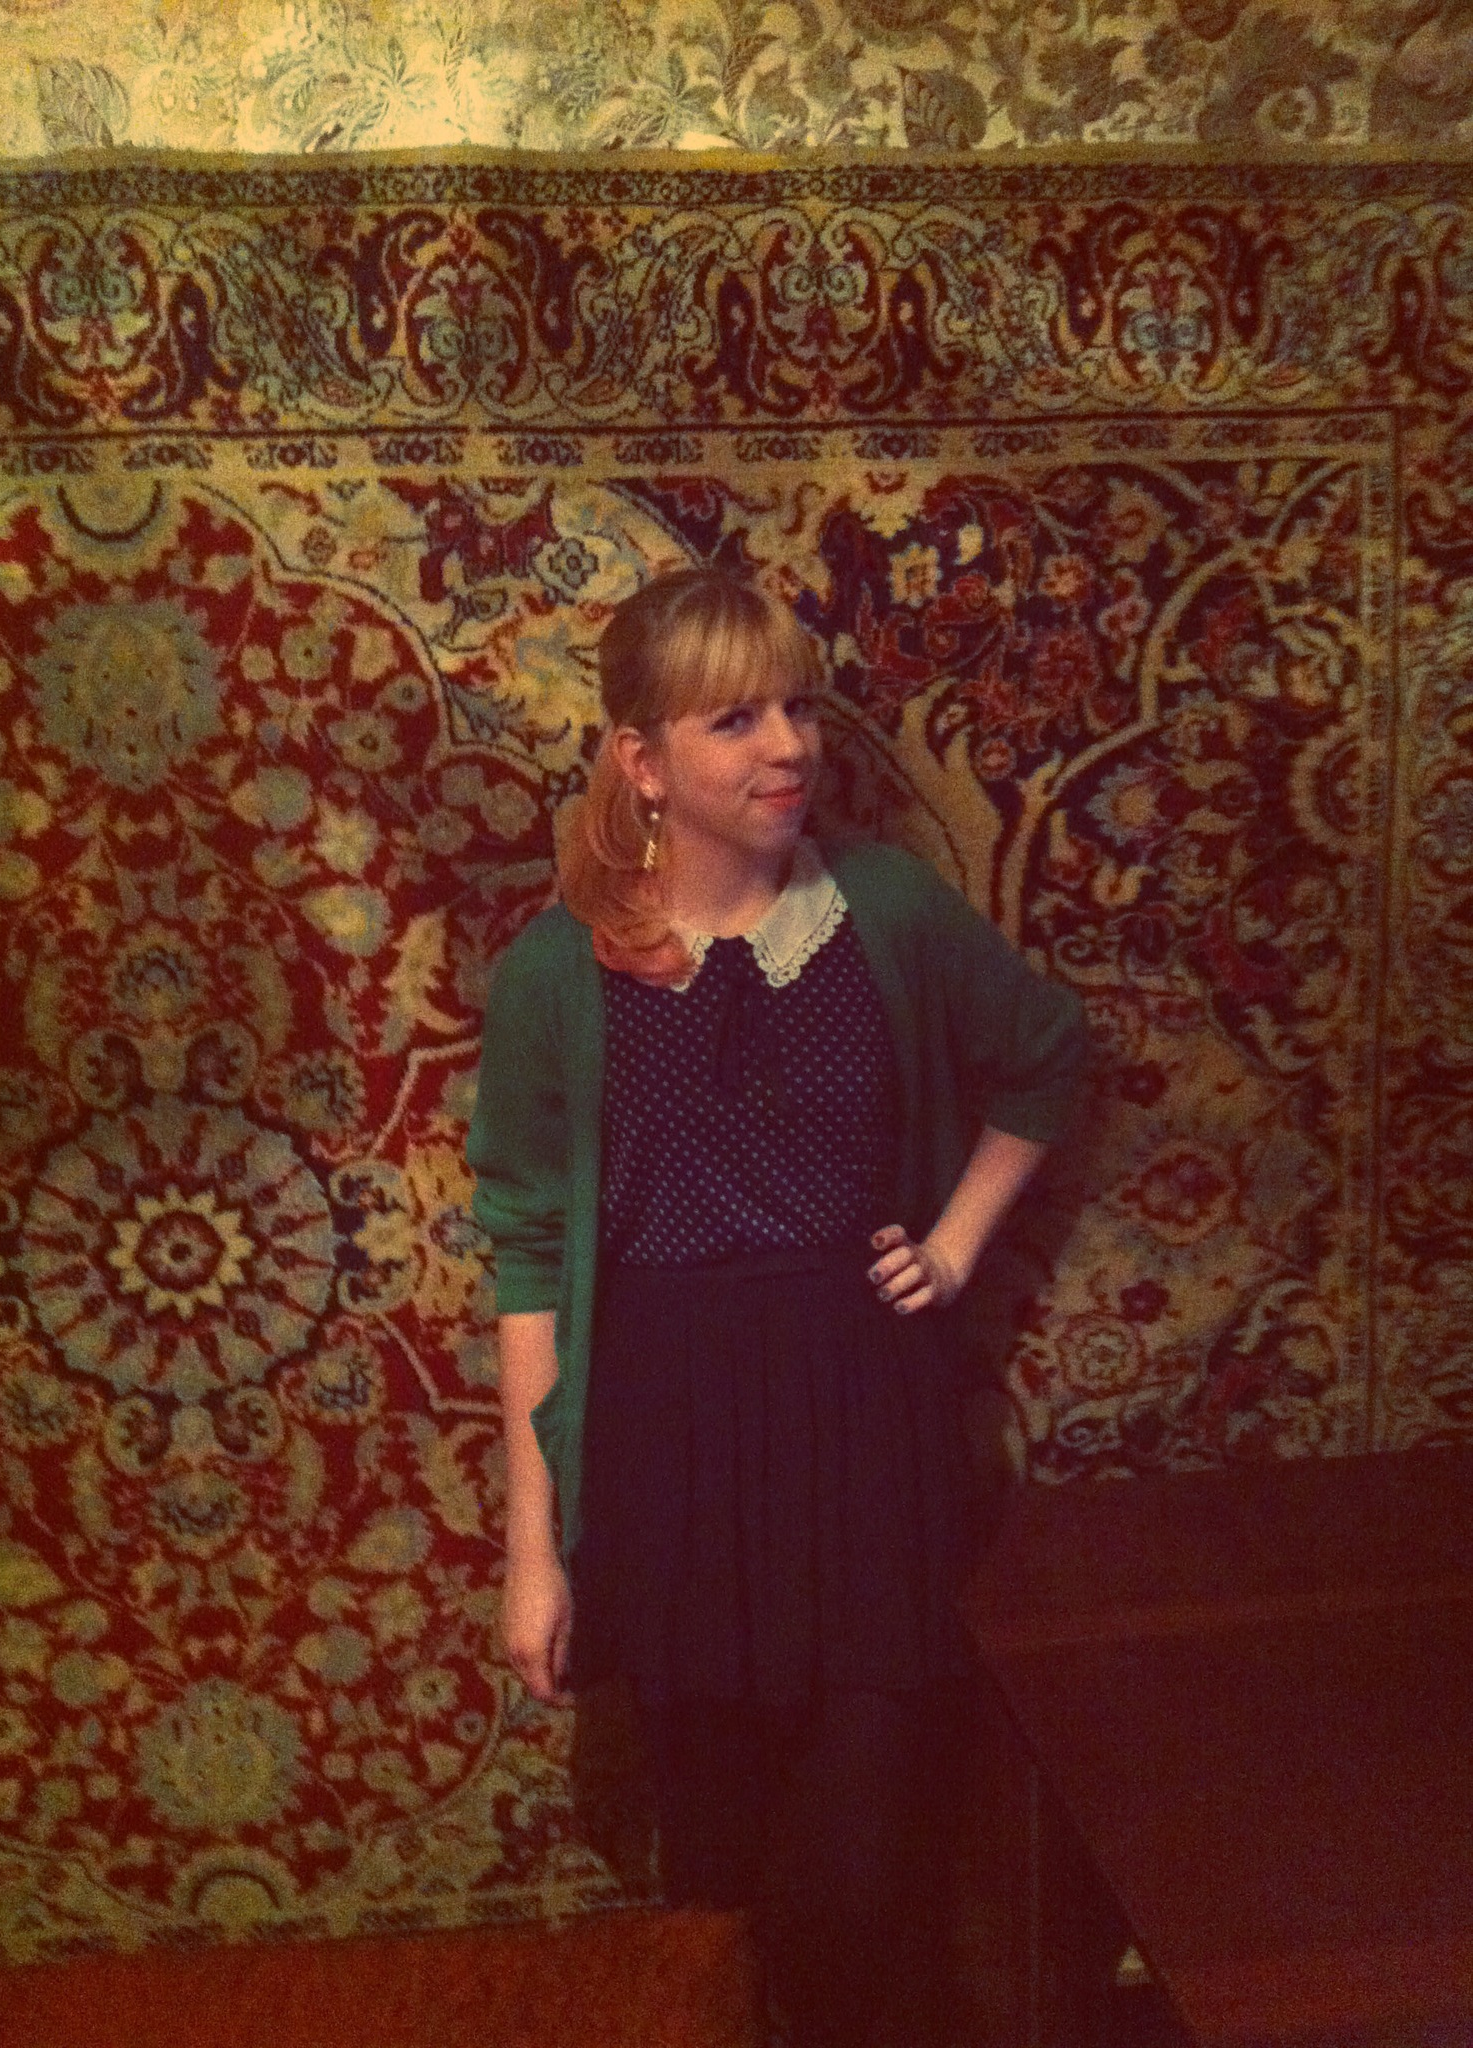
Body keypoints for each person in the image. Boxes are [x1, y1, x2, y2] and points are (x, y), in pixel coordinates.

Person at [467, 566, 1085, 2047]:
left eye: (796, 708)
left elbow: (1047, 1055)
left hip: (861, 1425)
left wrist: (952, 1247)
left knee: (870, 1876)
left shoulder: (886, 911)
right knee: (718, 1880)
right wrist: (533, 1557)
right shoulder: (555, 975)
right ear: (642, 761)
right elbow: (529, 1264)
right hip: (669, 1451)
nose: (789, 745)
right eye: (734, 719)